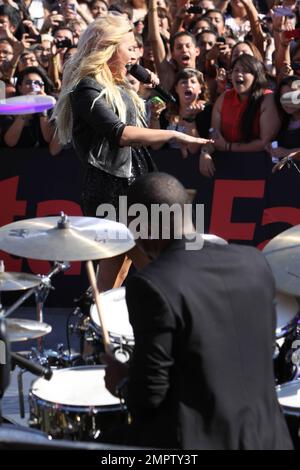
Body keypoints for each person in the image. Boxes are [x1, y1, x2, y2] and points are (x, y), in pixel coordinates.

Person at [102, 171, 293, 450]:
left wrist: (121, 382)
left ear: (142, 227)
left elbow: (148, 398)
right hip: (270, 438)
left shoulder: (152, 284)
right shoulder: (254, 263)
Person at [53, 13, 211, 291]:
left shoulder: (119, 87)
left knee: (117, 270)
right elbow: (122, 134)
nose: (136, 53)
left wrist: (149, 100)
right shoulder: (87, 89)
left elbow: (137, 132)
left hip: (134, 185)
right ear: (111, 49)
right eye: (130, 47)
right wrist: (175, 134)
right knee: (155, 266)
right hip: (112, 191)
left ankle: (96, 323)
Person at [199, 54, 280, 178]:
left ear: (256, 76)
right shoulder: (223, 98)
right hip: (228, 167)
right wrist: (205, 153)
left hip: (261, 170)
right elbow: (214, 135)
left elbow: (264, 143)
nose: (239, 74)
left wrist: (228, 147)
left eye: (245, 71)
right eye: (236, 70)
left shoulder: (267, 98)